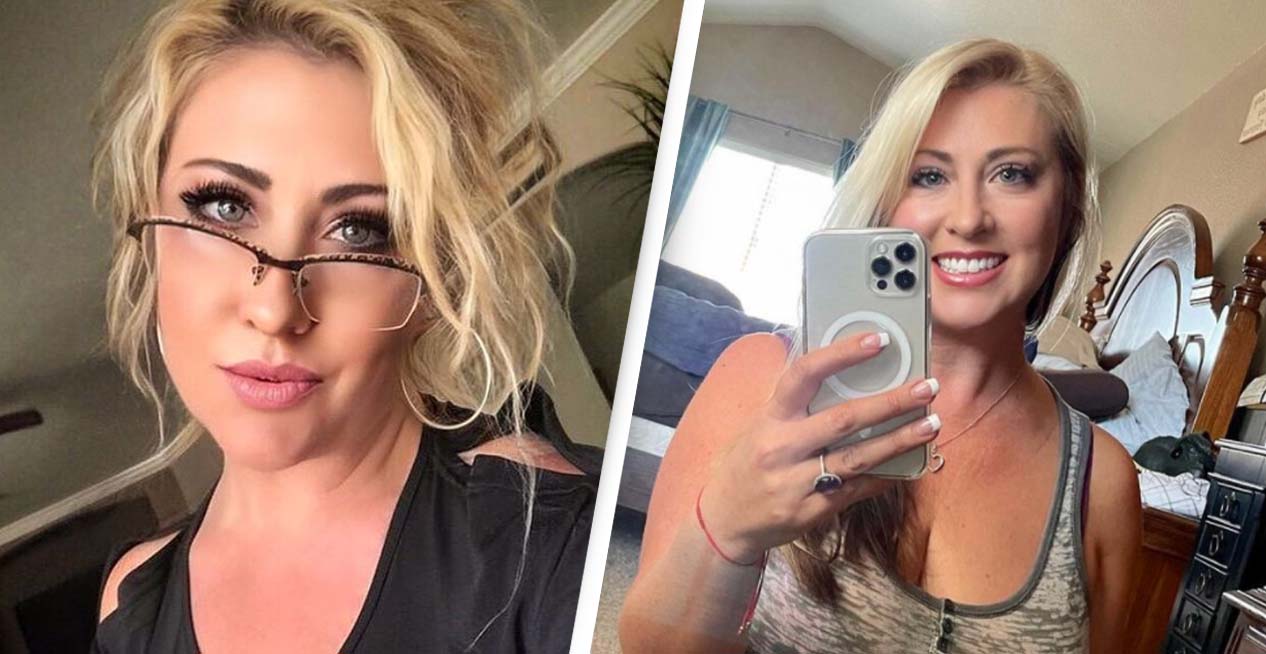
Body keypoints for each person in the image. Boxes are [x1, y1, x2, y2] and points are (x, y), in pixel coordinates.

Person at [89, 1, 599, 652]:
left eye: (359, 231)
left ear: (436, 282)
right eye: (223, 207)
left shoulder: (555, 547)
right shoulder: (133, 599)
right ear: (149, 235)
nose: (276, 310)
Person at [620, 38, 1141, 653]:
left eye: (1012, 174)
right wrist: (727, 532)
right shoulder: (759, 379)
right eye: (929, 175)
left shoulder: (1102, 483)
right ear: (888, 202)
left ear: (1068, 203)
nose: (968, 218)